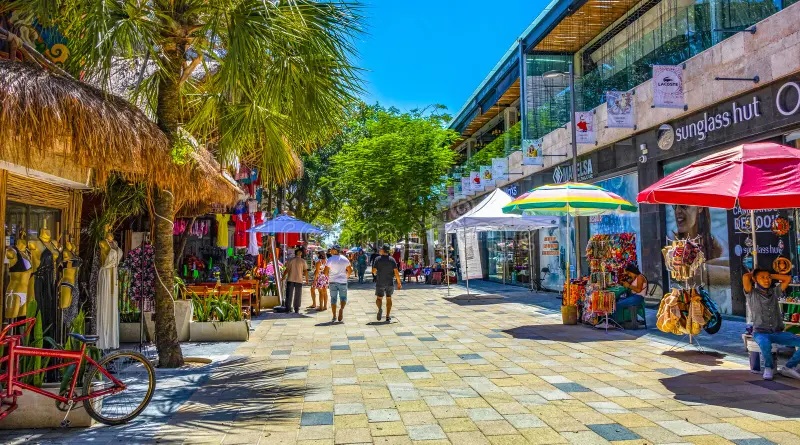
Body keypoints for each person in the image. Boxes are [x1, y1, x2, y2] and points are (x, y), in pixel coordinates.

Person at [743, 269, 798, 380]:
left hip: (777, 332)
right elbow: (745, 277)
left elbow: (787, 278)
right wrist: (755, 275)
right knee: (765, 344)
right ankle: (769, 367)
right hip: (760, 332)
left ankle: (788, 367)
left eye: (768, 277)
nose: (766, 280)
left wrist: (769, 275)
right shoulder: (751, 293)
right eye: (762, 278)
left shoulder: (774, 291)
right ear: (755, 279)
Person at [372, 245, 403, 322]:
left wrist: (376, 273)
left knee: (379, 298)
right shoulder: (392, 260)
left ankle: (380, 308)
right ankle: (387, 316)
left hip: (380, 282)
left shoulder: (377, 259)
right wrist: (399, 283)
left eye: (380, 249)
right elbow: (396, 272)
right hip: (389, 282)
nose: (379, 250)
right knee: (389, 298)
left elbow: (374, 271)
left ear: (383, 250)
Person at [325, 245, 352, 323]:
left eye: (332, 250)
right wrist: (346, 277)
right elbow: (350, 270)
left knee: (333, 298)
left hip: (332, 281)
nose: (330, 251)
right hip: (343, 281)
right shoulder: (345, 259)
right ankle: (341, 309)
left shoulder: (330, 259)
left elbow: (325, 272)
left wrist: (329, 277)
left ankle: (334, 316)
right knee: (343, 297)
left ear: (335, 250)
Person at [283, 248, 308, 314]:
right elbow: (305, 271)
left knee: (289, 294)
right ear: (301, 253)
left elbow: (287, 269)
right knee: (298, 294)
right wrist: (306, 279)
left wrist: (283, 276)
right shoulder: (303, 261)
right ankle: (296, 308)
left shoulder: (291, 260)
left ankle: (288, 308)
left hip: (291, 278)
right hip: (299, 279)